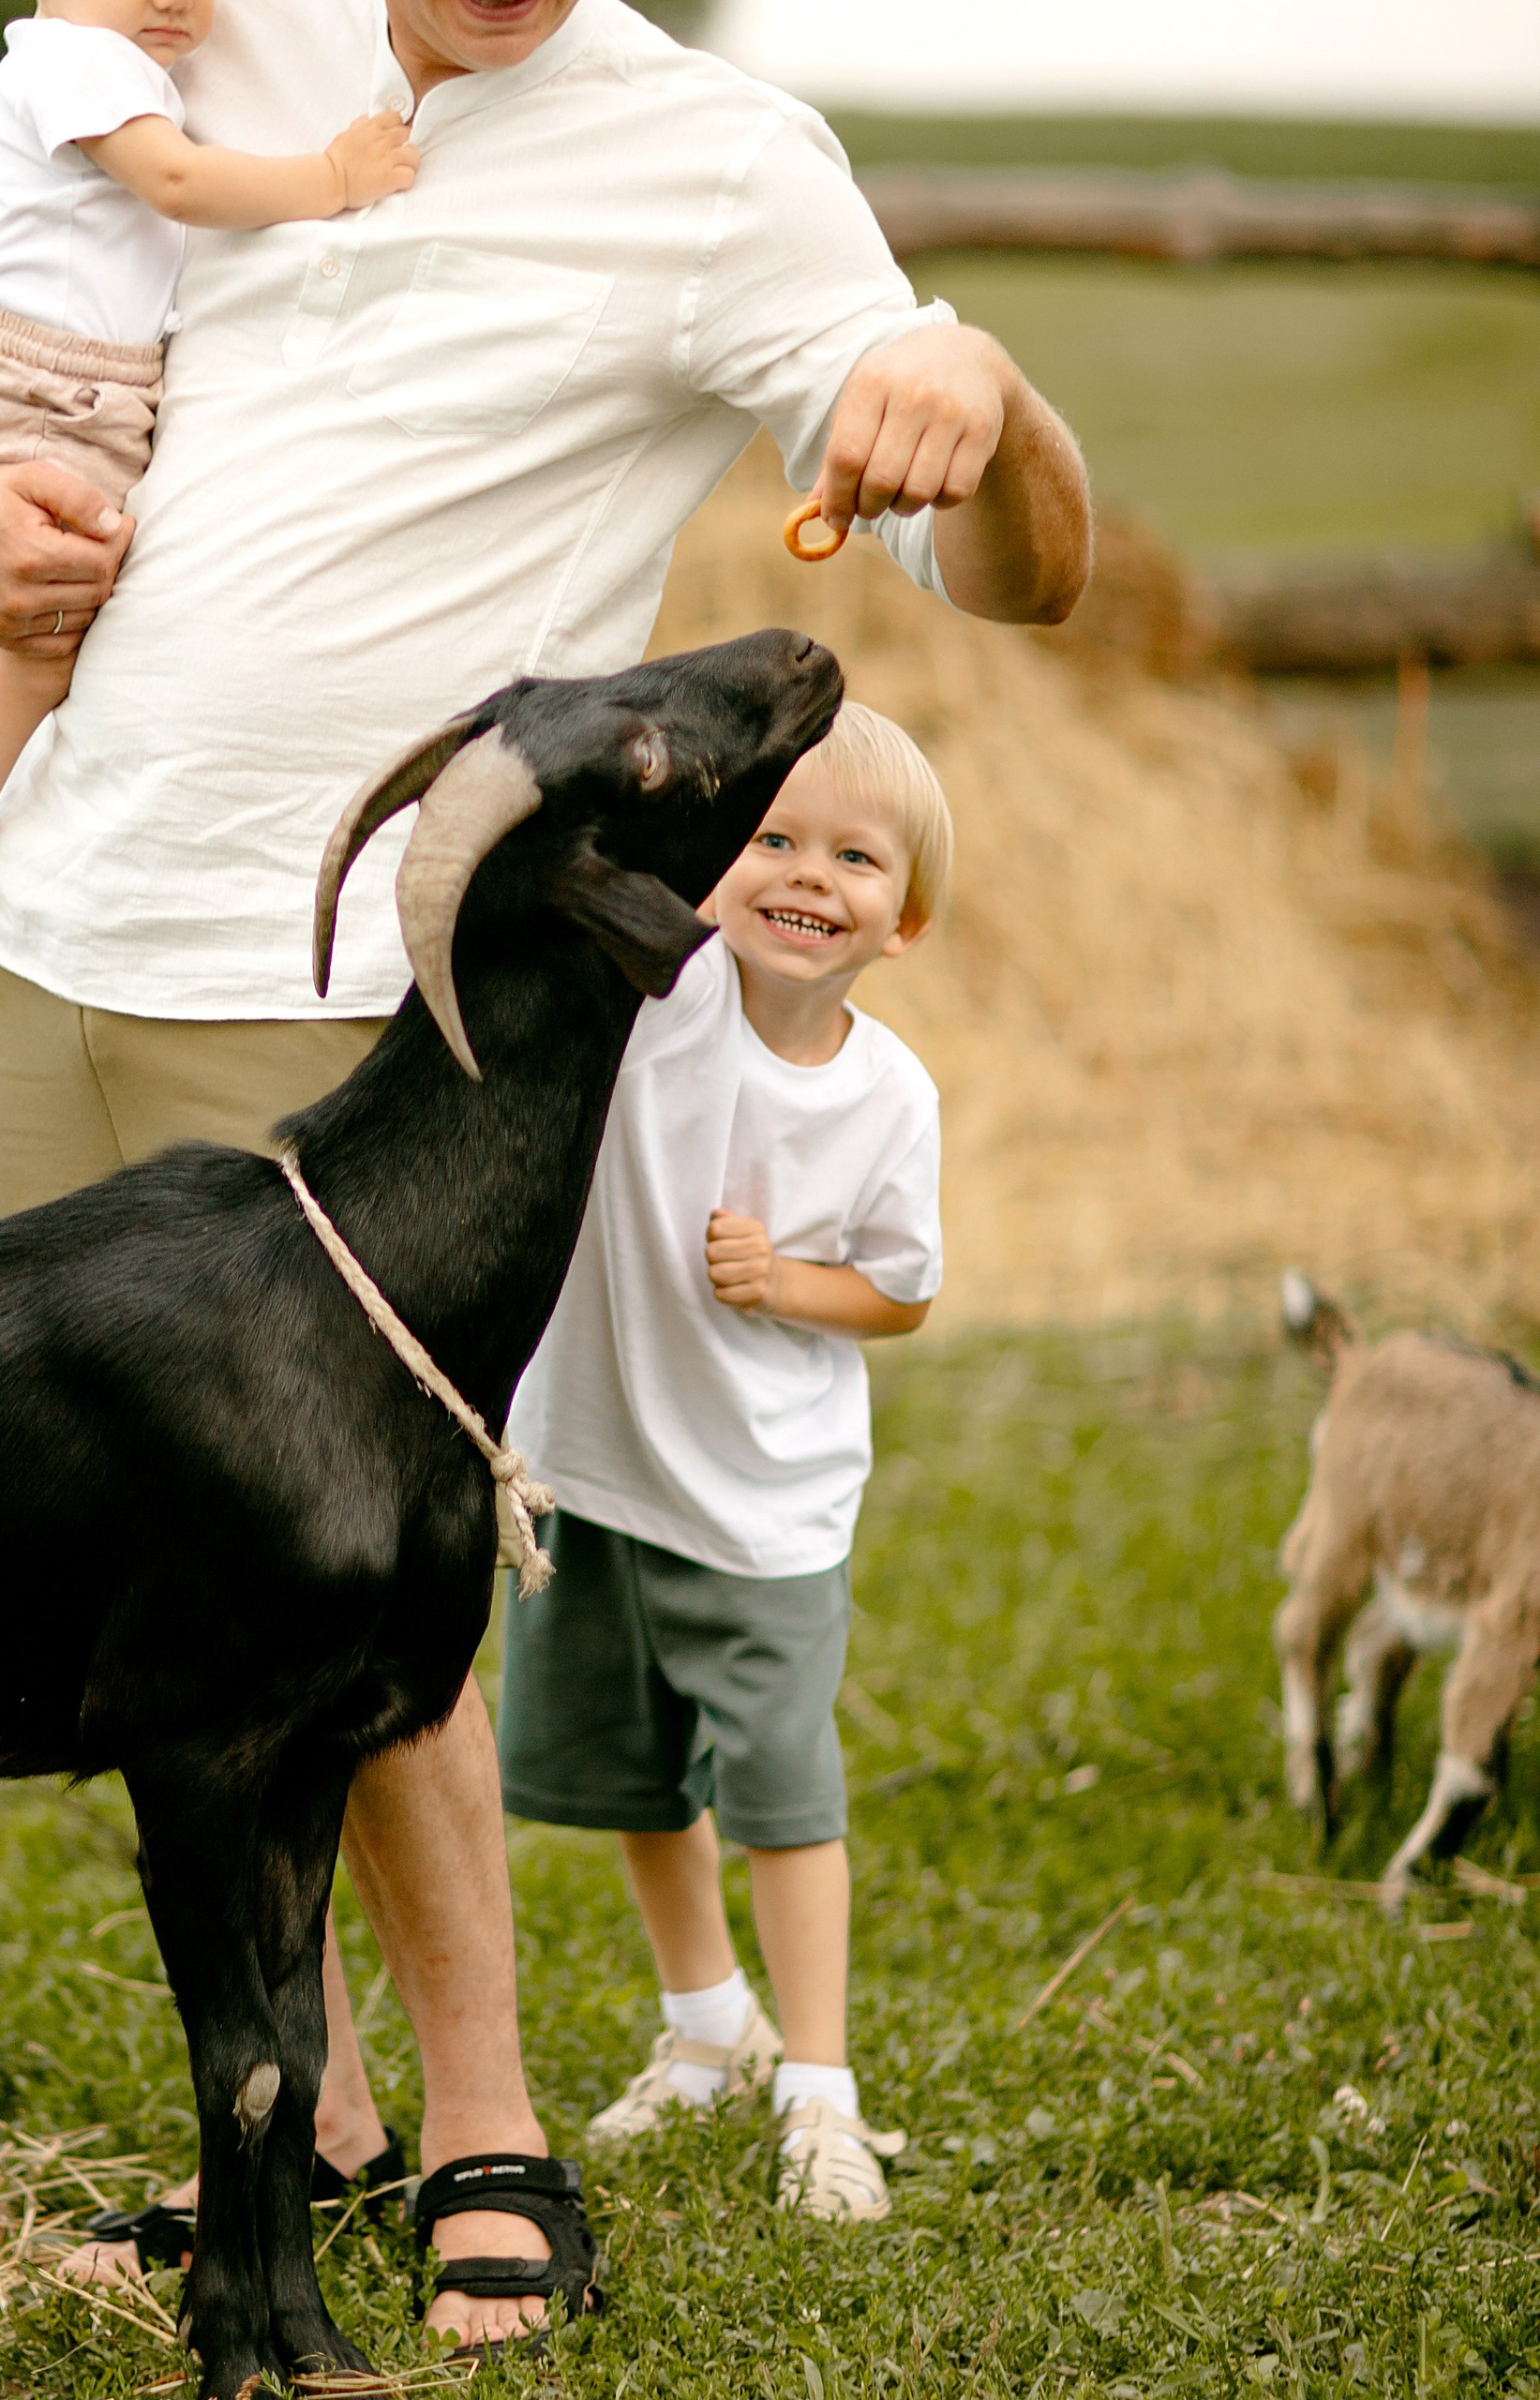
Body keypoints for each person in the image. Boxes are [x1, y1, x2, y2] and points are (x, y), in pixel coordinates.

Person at [0, 0, 1090, 2350]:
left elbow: (1023, 573)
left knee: (382, 1597)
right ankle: (301, 2116)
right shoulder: (187, 45)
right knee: (167, 1588)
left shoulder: (718, 159)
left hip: (366, 989)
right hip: (64, 919)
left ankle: (483, 2132)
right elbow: (31, 356)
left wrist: (994, 393)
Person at [498, 703, 949, 2224]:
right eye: (770, 840)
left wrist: (787, 1284)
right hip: (595, 1461)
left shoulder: (889, 1095)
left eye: (855, 857)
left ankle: (821, 2090)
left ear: (908, 917)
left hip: (763, 1500)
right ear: (712, 868)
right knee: (636, 1769)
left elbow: (904, 1290)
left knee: (779, 1788)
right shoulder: (663, 1000)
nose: (807, 875)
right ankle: (707, 2023)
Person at [0, 0, 417, 996]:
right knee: (39, 651)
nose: (174, 0)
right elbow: (176, 182)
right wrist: (333, 178)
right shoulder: (82, 64)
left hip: (92, 386)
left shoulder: (117, 65)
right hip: (54, 391)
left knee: (76, 644)